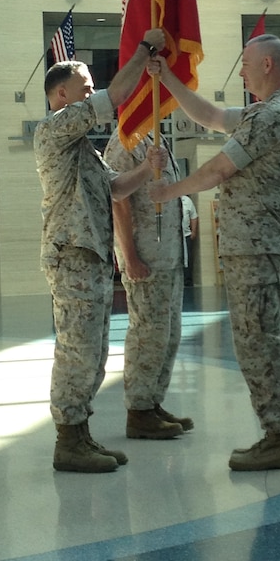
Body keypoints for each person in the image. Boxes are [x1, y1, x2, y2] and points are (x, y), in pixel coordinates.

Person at [149, 33, 280, 472]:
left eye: (246, 64)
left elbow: (220, 168)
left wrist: (169, 192)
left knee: (260, 341)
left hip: (259, 246)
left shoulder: (275, 115)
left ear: (269, 66)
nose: (241, 71)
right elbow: (213, 116)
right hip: (251, 246)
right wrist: (170, 80)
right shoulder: (264, 111)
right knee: (256, 339)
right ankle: (277, 432)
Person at [34, 28, 166, 474]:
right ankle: (68, 440)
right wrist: (146, 49)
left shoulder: (84, 150)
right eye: (84, 87)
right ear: (59, 95)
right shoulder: (53, 131)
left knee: (93, 351)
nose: (92, 92)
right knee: (76, 349)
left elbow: (115, 188)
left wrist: (147, 171)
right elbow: (116, 95)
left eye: (91, 86)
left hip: (89, 257)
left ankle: (81, 433)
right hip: (72, 255)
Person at [103, 129, 193, 440]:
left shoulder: (154, 135)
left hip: (168, 254)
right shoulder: (126, 138)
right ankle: (138, 410)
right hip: (146, 257)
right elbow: (118, 200)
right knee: (147, 333)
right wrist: (129, 256)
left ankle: (153, 403)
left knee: (168, 334)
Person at [181, 195, 199, 286]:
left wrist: (194, 231)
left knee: (187, 259)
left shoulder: (187, 200)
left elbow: (194, 216)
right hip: (173, 237)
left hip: (186, 235)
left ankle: (187, 282)